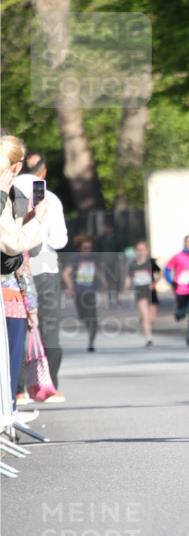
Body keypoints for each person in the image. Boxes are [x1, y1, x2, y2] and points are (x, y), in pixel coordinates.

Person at [14, 151, 68, 401]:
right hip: (43, 265)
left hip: (13, 265)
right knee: (49, 327)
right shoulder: (50, 197)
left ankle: (18, 389)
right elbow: (59, 241)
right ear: (44, 171)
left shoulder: (11, 189)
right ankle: (48, 386)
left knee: (17, 327)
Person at [0, 135, 45, 412]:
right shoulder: (7, 195)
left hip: (13, 289)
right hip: (10, 291)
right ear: (16, 166)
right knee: (11, 357)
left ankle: (9, 412)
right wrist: (37, 220)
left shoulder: (13, 195)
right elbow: (16, 248)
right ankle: (8, 412)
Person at [63, 234, 102, 352]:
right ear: (80, 248)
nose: (87, 250)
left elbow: (98, 270)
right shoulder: (75, 258)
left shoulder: (94, 257)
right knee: (83, 316)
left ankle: (91, 339)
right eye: (85, 248)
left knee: (92, 316)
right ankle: (91, 327)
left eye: (89, 248)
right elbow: (65, 273)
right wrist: (70, 287)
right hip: (79, 291)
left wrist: (103, 281)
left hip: (90, 291)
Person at [164, 235, 189, 345]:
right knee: (182, 313)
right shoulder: (177, 257)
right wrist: (171, 282)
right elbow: (166, 270)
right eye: (188, 242)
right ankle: (178, 314)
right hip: (180, 290)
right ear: (184, 243)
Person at [125, 241, 161, 347]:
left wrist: (155, 283)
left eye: (143, 249)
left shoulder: (151, 262)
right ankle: (148, 338)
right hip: (140, 291)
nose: (141, 252)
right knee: (146, 316)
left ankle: (143, 320)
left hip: (151, 290)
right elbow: (129, 278)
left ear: (147, 251)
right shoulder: (133, 265)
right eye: (139, 250)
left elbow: (160, 272)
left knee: (152, 317)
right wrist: (126, 287)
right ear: (136, 251)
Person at [95, 219, 124, 307]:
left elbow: (120, 250)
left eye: (108, 227)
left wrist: (121, 259)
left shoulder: (117, 238)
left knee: (116, 280)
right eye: (106, 227)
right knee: (107, 281)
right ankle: (109, 299)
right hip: (105, 262)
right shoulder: (101, 239)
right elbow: (97, 250)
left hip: (115, 262)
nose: (107, 229)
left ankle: (117, 297)